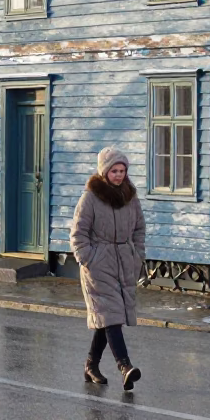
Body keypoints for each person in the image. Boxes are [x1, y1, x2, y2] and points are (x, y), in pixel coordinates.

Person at [71, 146, 146, 389]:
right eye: (114, 170)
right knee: (112, 315)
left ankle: (91, 365)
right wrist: (89, 259)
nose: (119, 175)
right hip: (99, 265)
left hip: (124, 262)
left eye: (122, 170)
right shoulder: (90, 198)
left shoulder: (130, 197)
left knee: (109, 317)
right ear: (104, 172)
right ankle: (125, 366)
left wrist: (137, 256)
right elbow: (78, 234)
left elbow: (139, 229)